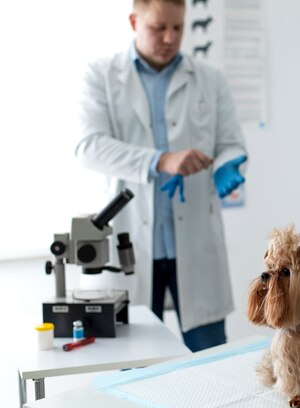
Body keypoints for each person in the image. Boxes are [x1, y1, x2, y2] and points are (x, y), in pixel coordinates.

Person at [76, 0, 247, 352]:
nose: (170, 38)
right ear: (134, 21)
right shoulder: (101, 75)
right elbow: (89, 146)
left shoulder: (209, 78)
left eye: (178, 28)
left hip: (194, 243)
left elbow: (230, 143)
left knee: (211, 360)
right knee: (131, 363)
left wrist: (229, 165)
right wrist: (160, 161)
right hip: (130, 247)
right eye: (159, 28)